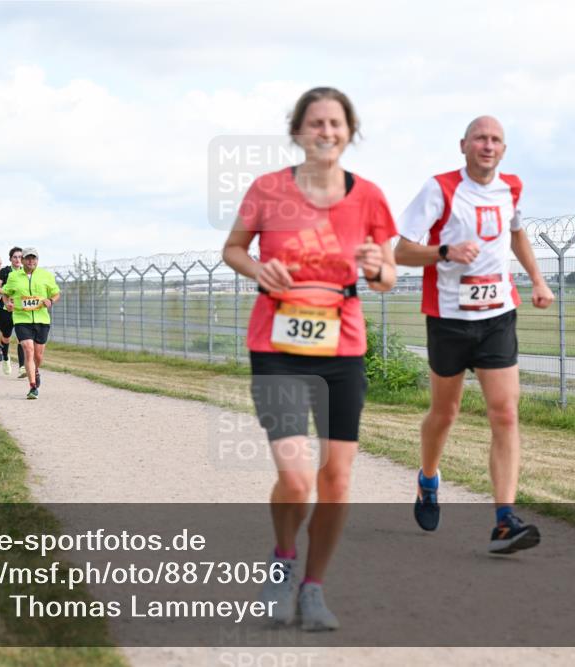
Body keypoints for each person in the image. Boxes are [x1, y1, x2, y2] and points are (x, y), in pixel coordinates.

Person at [221, 87, 397, 630]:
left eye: (335, 123)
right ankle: (282, 562)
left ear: (350, 131)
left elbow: (387, 277)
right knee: (297, 479)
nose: (326, 132)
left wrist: (377, 268)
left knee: (337, 479)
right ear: (298, 131)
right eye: (316, 123)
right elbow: (233, 249)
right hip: (276, 348)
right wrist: (258, 270)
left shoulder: (369, 197)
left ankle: (314, 588)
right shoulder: (268, 189)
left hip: (342, 349)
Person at [395, 115, 555, 554]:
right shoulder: (440, 189)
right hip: (448, 318)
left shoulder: (511, 188)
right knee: (444, 414)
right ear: (463, 145)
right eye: (480, 138)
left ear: (504, 149)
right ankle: (429, 479)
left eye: (496, 139)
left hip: (498, 316)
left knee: (505, 414)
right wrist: (444, 251)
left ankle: (505, 520)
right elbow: (402, 251)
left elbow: (517, 234)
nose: (488, 145)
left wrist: (538, 280)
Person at [0, 247, 60, 399]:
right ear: (23, 260)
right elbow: (5, 293)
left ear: (37, 260)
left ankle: (35, 370)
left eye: (34, 258)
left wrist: (50, 300)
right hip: (22, 318)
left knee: (38, 356)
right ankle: (33, 387)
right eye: (28, 258)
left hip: (42, 319)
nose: (31, 261)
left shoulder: (45, 275)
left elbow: (56, 293)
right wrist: (7, 303)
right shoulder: (14, 276)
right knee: (28, 349)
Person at [0, 247, 26, 376]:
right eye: (15, 257)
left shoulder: (25, 272)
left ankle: (22, 367)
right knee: (6, 338)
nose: (18, 259)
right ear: (10, 259)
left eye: (20, 257)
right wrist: (8, 293)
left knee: (22, 338)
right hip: (5, 310)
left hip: (20, 311)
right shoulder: (5, 271)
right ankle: (6, 358)